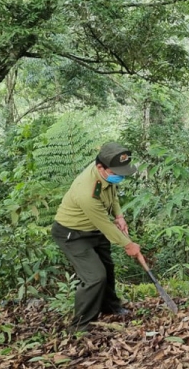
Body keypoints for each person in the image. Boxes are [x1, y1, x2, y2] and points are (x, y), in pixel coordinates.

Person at [51, 142, 141, 333]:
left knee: (107, 267)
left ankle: (110, 306)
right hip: (72, 234)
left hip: (93, 229)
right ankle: (79, 326)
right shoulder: (86, 191)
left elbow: (112, 194)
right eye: (118, 172)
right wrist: (128, 244)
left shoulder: (105, 176)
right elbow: (105, 225)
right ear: (100, 167)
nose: (121, 176)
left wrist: (119, 215)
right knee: (95, 277)